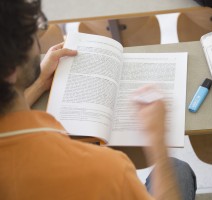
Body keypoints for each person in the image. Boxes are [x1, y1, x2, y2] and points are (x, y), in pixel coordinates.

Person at [0, 0, 196, 199]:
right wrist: (158, 143)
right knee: (177, 169)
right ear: (10, 72)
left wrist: (40, 82)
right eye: (32, 33)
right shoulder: (108, 169)